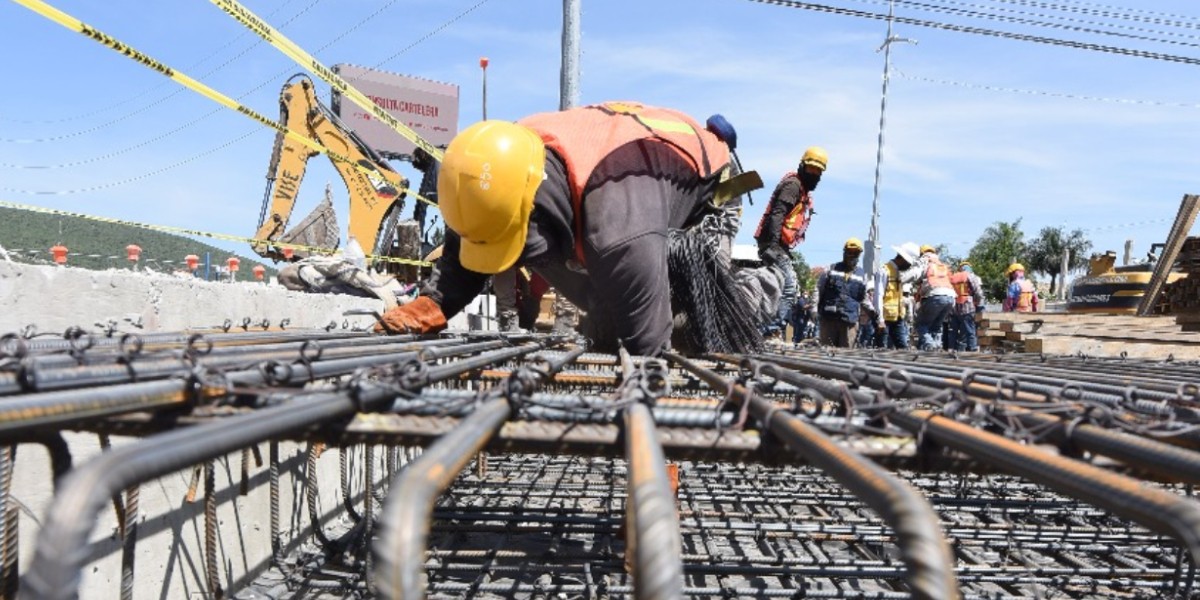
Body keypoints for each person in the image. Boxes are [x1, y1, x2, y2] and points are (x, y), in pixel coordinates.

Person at [373, 101, 776, 355]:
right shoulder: (497, 167)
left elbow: (650, 348)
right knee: (603, 321)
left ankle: (768, 285)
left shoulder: (620, 226)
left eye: (516, 246)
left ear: (538, 213)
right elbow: (476, 231)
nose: (515, 261)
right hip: (624, 170)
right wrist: (434, 304)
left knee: (693, 321)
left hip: (713, 187)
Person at [754, 146, 827, 335]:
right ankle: (770, 331)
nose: (814, 174)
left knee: (780, 287)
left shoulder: (801, 190)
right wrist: (771, 245)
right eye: (811, 169)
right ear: (802, 166)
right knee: (788, 287)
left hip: (779, 245)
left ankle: (767, 329)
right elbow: (777, 214)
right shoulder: (793, 185)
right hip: (774, 244)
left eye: (818, 171)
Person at [814, 238, 868, 348]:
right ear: (844, 252)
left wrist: (876, 316)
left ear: (859, 255)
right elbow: (818, 290)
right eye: (849, 252)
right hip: (829, 320)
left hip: (849, 321)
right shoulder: (831, 269)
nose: (851, 255)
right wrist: (814, 309)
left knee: (846, 355)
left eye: (855, 253)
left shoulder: (862, 275)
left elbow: (864, 299)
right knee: (827, 352)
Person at [871, 242, 920, 349]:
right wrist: (880, 320)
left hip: (898, 318)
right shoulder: (884, 271)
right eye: (908, 263)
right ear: (902, 258)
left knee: (903, 349)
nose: (909, 266)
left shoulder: (900, 273)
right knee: (882, 350)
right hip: (884, 319)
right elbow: (878, 295)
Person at [910, 245, 956, 351]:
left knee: (921, 324)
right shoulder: (942, 265)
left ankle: (930, 344)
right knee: (936, 325)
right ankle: (937, 345)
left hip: (935, 296)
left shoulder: (925, 261)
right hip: (950, 297)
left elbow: (915, 275)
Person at [947, 261, 985, 351]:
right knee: (970, 330)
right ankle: (972, 349)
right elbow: (978, 293)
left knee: (953, 331)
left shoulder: (953, 277)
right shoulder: (970, 276)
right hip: (967, 306)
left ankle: (951, 348)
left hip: (954, 307)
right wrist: (978, 304)